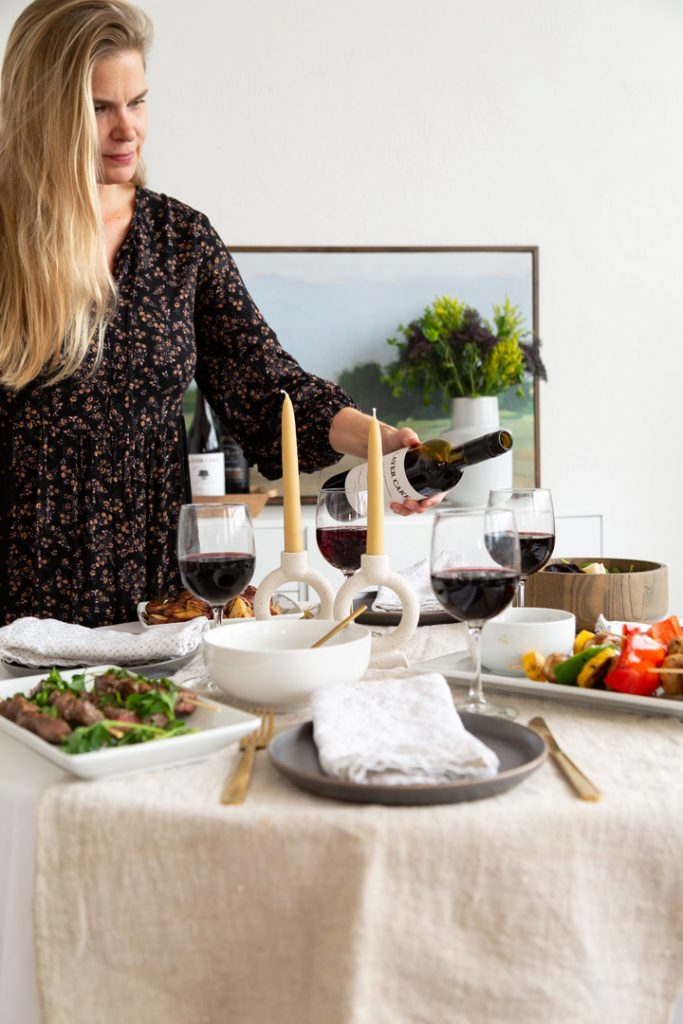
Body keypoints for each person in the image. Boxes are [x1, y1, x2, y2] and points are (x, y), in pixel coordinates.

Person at [0, 0, 441, 628]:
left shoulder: (181, 240)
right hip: (18, 606)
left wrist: (379, 443)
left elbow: (267, 385)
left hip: (154, 606)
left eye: (137, 102)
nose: (128, 130)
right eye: (98, 109)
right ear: (43, 111)